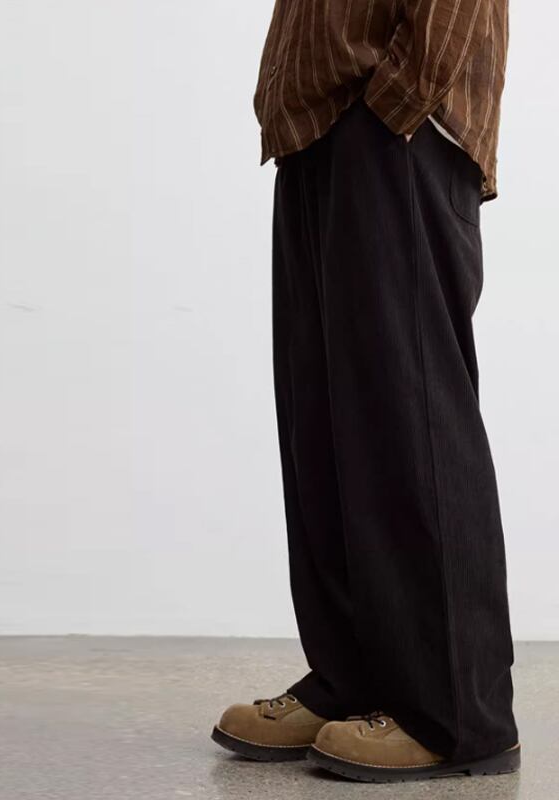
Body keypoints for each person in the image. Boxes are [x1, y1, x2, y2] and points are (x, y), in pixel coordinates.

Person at [212, 0, 519, 783]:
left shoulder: (394, 117)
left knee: (408, 417)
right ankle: (351, 681)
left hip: (396, 128)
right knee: (322, 419)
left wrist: (400, 103)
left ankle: (454, 715)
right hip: (319, 127)